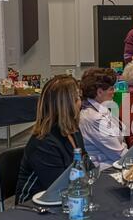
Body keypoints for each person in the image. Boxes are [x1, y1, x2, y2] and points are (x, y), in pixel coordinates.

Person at [16, 75, 87, 204]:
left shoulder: (73, 131)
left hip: (65, 199)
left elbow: (86, 165)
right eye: (77, 98)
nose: (80, 102)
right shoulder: (43, 143)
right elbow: (59, 187)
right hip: (35, 208)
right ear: (67, 105)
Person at [79, 68, 128, 170]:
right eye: (111, 89)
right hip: (105, 171)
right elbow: (118, 153)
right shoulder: (93, 118)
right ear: (100, 92)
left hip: (114, 164)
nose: (114, 91)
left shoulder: (100, 108)